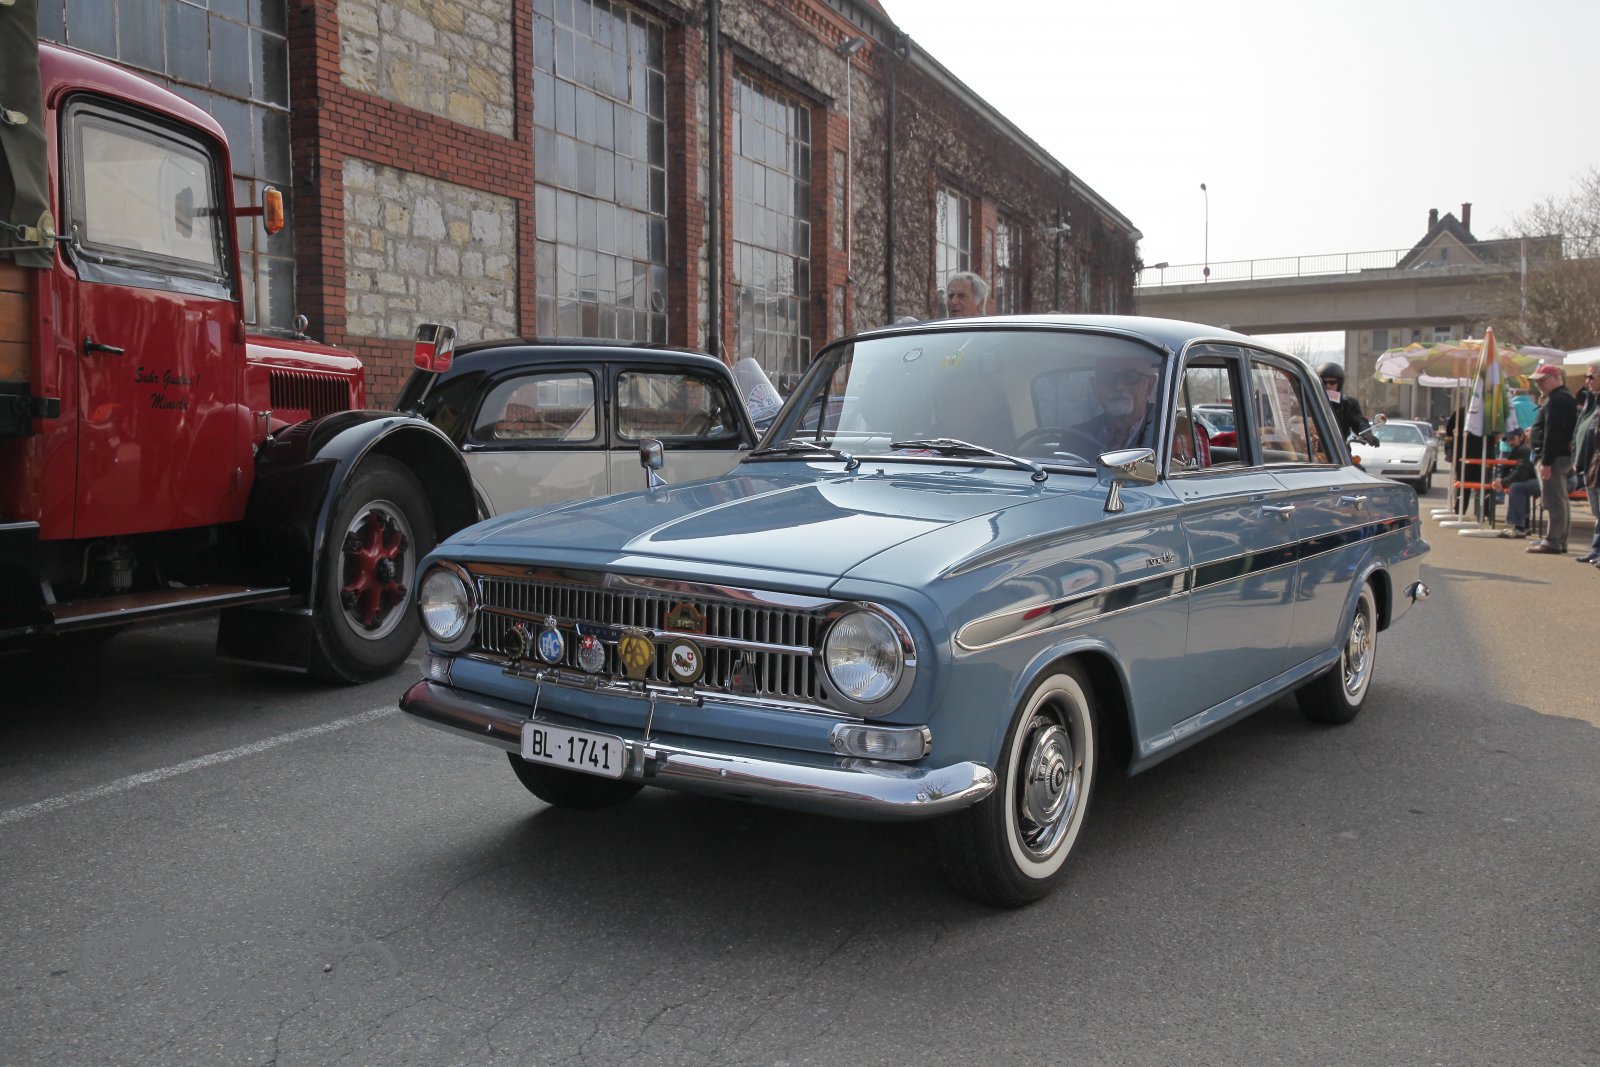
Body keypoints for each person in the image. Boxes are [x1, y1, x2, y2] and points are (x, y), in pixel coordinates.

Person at [1525, 363, 1577, 554]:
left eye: (1542, 381)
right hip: (1559, 456)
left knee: (1554, 500)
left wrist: (1546, 462)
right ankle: (1558, 540)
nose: (1538, 385)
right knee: (1559, 500)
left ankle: (1553, 540)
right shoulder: (1561, 398)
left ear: (1555, 379)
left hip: (1554, 458)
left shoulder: (1557, 400)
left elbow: (1553, 432)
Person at [1075, 355, 1161, 452]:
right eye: (1107, 377)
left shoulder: (1168, 432)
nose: (1119, 386)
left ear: (1149, 385)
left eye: (1130, 377)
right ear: (1095, 386)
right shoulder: (1075, 438)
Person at [1573, 361, 1600, 565]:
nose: (1587, 380)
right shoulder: (1591, 400)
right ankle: (1596, 550)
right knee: (1597, 512)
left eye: (1591, 376)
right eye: (1586, 376)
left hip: (1596, 464)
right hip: (1589, 465)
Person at [1495, 426, 1538, 537]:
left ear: (1521, 437)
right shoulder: (1519, 449)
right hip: (1539, 481)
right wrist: (1503, 480)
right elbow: (1507, 468)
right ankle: (1524, 526)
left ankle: (1519, 527)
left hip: (1545, 482)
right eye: (1508, 440)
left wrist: (1503, 482)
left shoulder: (1524, 450)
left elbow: (1521, 473)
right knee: (1520, 487)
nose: (1510, 442)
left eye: (1512, 439)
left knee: (1517, 488)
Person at [1317, 362, 1371, 441]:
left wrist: (1366, 433)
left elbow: (1359, 421)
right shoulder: (1310, 401)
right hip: (1312, 446)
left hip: (1338, 446)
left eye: (1332, 382)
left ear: (1339, 384)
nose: (1328, 386)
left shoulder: (1347, 404)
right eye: (1324, 382)